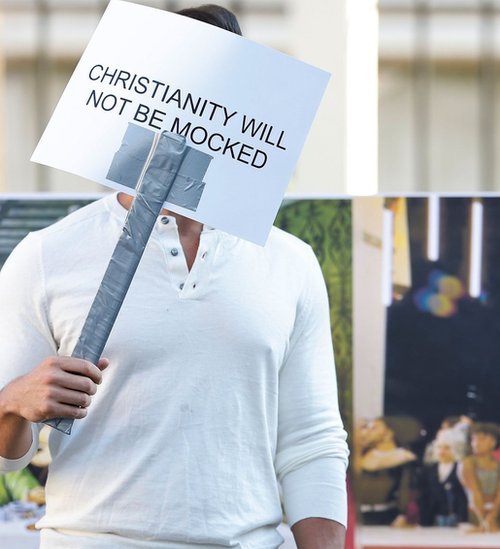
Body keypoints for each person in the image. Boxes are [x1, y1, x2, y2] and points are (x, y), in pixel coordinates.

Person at [0, 6, 349, 548]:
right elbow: (9, 451)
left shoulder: (290, 261)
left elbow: (312, 441)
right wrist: (11, 402)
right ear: (140, 98)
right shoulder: (47, 254)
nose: (196, 116)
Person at [354, 417, 417, 526]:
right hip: (361, 516)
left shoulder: (403, 456)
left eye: (374, 428)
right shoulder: (364, 455)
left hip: (388, 516)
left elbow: (406, 489)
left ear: (388, 432)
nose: (368, 431)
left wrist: (403, 514)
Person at [461, 422, 500, 532]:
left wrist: (494, 515)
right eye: (473, 439)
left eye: (481, 439)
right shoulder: (468, 463)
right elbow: (474, 492)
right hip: (476, 512)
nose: (476, 443)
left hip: (499, 512)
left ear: (493, 442)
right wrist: (484, 519)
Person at [419, 429, 468, 527]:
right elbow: (424, 496)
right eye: (439, 447)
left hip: (456, 520)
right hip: (431, 521)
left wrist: (463, 521)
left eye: (447, 448)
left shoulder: (461, 468)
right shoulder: (428, 470)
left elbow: (463, 497)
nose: (442, 451)